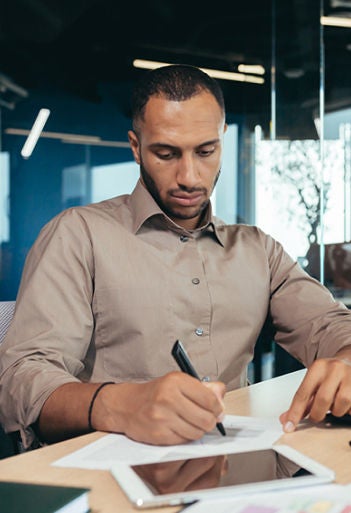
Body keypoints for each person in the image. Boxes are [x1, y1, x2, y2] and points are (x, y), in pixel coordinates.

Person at [1, 64, 351, 451]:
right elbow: (20, 379)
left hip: (233, 467)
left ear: (222, 141)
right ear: (136, 148)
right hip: (107, 471)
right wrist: (118, 404)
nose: (189, 176)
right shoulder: (78, 235)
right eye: (166, 153)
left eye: (206, 151)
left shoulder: (257, 249)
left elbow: (329, 325)